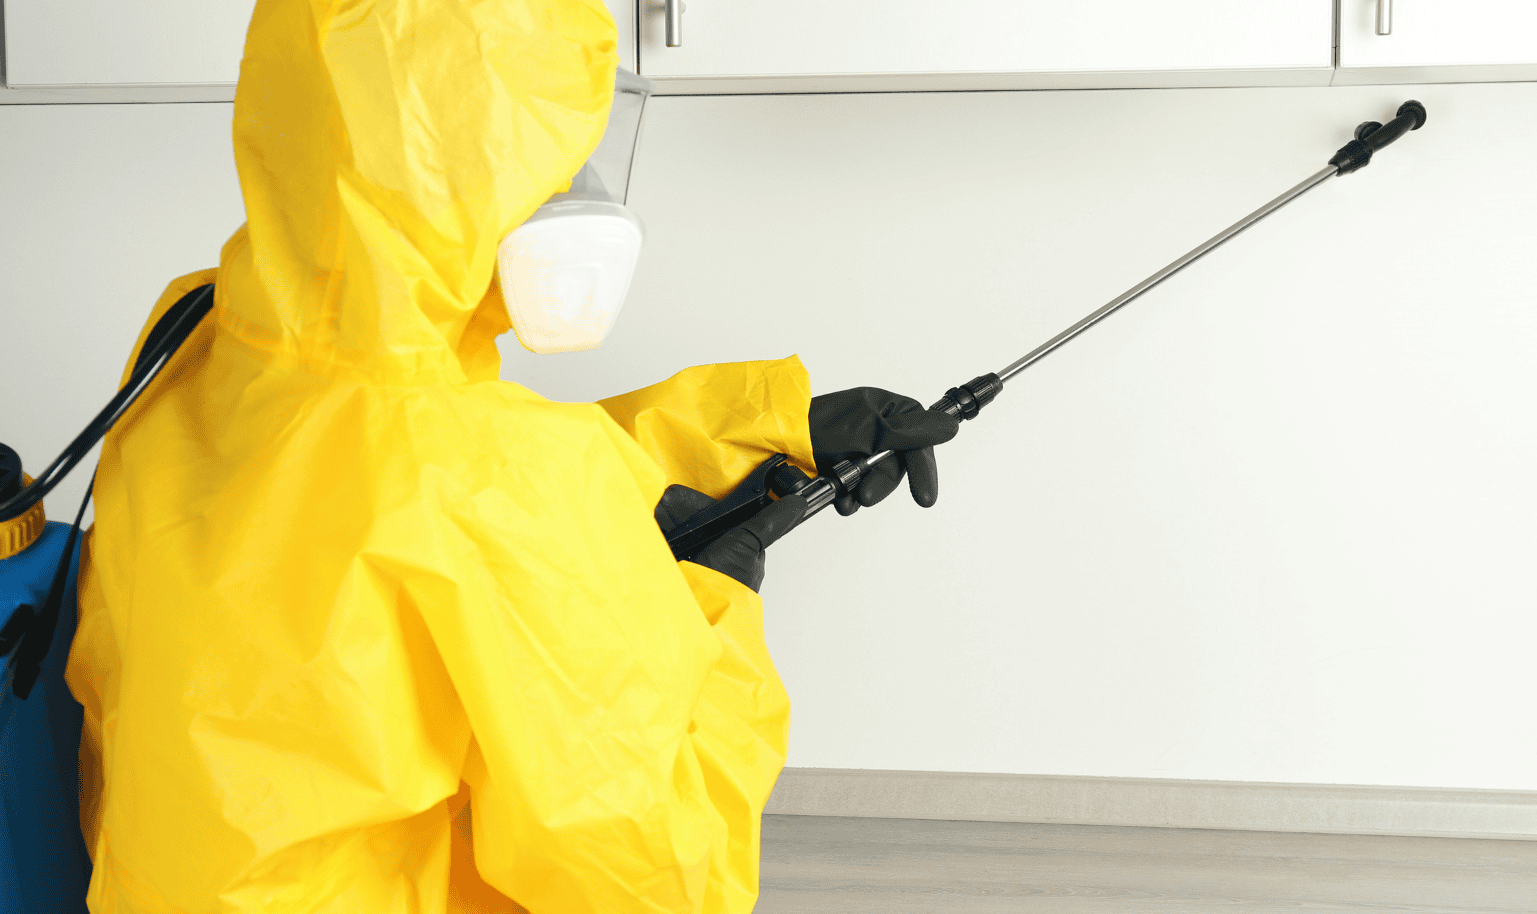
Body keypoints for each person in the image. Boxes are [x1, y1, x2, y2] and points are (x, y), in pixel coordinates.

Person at [64, 1, 956, 911]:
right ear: (467, 180)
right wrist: (718, 611)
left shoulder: (199, 338)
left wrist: (762, 425)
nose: (577, 189)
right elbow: (653, 877)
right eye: (550, 157)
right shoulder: (474, 471)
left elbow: (428, 481)